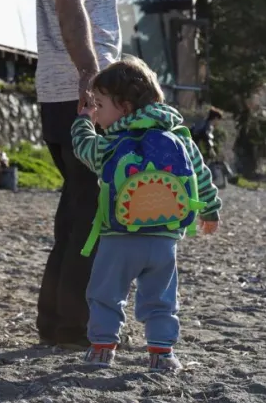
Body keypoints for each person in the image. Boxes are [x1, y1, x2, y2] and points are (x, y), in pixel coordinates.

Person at [33, 0, 157, 350]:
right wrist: (91, 80)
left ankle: (60, 324)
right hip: (79, 93)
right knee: (90, 214)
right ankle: (75, 329)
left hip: (79, 93)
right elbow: (71, 7)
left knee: (79, 210)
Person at [70, 56, 221, 371]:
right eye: (93, 106)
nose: (96, 113)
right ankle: (162, 354)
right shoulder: (179, 136)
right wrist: (209, 209)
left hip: (119, 237)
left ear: (124, 108)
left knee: (105, 294)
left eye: (100, 105)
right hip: (163, 238)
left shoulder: (111, 143)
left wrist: (82, 121)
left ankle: (101, 349)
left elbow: (84, 148)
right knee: (161, 299)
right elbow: (201, 175)